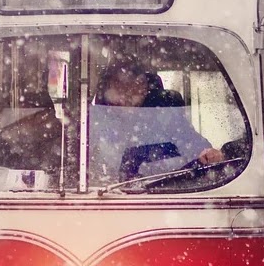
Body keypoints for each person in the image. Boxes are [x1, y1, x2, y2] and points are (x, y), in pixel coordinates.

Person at [91, 61, 224, 182]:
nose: (128, 92)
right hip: (103, 191)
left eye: (137, 85)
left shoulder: (166, 119)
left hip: (159, 190)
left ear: (144, 89)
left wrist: (209, 154)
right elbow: (86, 171)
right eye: (119, 85)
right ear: (107, 89)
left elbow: (196, 147)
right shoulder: (92, 121)